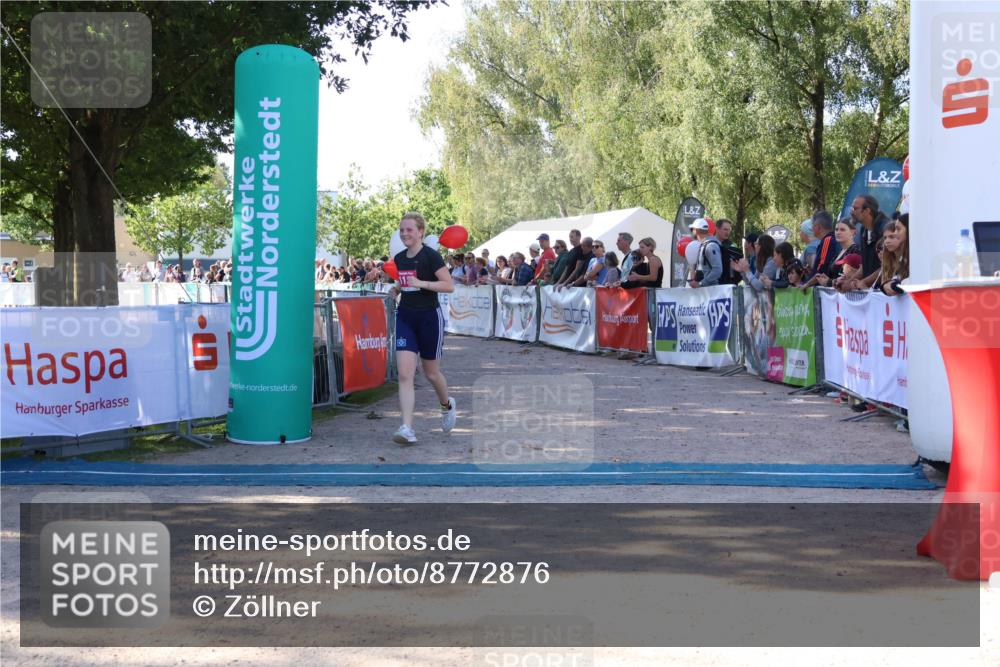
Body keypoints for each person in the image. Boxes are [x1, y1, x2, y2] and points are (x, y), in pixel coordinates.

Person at [386, 212, 456, 445]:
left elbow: (449, 286)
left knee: (431, 373)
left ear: (420, 232)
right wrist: (396, 289)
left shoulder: (431, 256)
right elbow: (404, 279)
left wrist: (421, 284)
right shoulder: (399, 257)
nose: (405, 233)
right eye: (402, 230)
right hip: (406, 316)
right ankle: (406, 427)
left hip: (429, 318)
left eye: (409, 230)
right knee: (405, 374)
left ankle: (447, 405)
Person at [845, 194, 884, 292]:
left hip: (884, 295)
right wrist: (848, 282)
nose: (851, 212)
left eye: (855, 208)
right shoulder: (863, 230)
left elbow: (888, 266)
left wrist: (864, 282)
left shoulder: (885, 229)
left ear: (867, 211)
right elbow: (864, 267)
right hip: (871, 295)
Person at [874, 215, 909, 296]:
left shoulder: (914, 256)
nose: (887, 241)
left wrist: (895, 285)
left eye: (891, 237)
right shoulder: (889, 261)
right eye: (885, 238)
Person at [688, 218, 722, 288]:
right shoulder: (704, 244)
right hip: (707, 290)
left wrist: (701, 283)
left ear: (696, 230)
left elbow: (717, 270)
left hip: (711, 290)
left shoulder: (711, 246)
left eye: (692, 230)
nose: (692, 232)